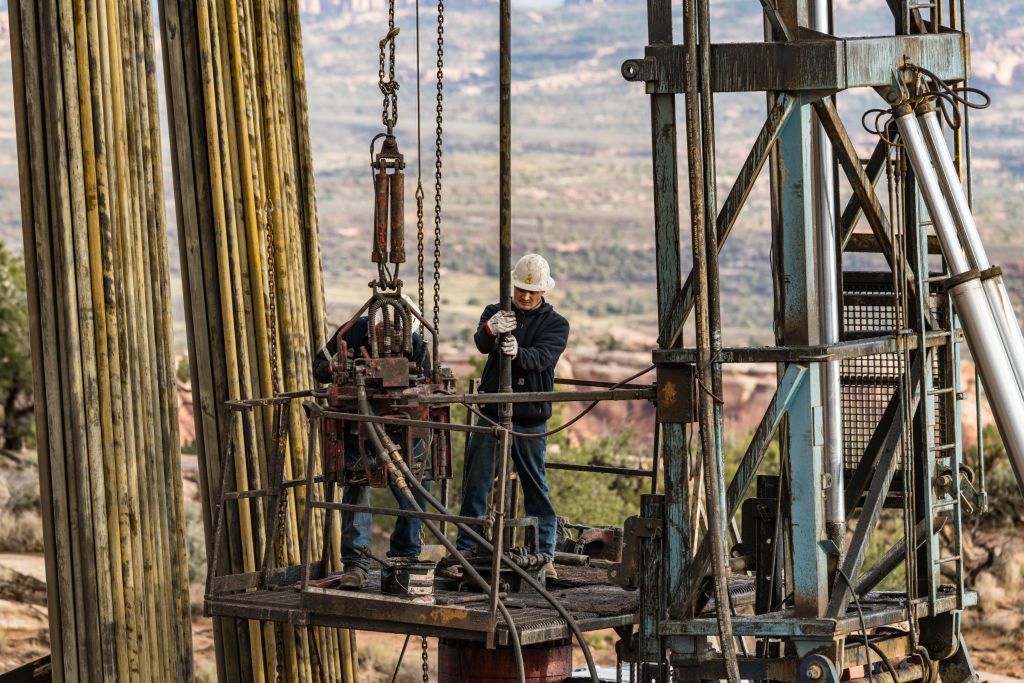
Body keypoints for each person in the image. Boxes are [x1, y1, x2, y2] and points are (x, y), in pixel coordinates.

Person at [455, 254, 570, 578]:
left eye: (532, 291)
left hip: (529, 417)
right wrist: (491, 330)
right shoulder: (497, 313)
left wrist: (518, 352)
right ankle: (467, 548)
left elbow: (543, 358)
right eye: (521, 289)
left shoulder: (556, 325)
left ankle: (544, 554)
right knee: (476, 484)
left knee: (536, 487)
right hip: (493, 411)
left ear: (543, 292)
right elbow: (480, 343)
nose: (525, 296)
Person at [313, 295, 432, 590]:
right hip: (358, 426)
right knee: (356, 486)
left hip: (401, 428)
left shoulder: (417, 346)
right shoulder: (352, 331)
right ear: (372, 329)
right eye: (381, 334)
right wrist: (333, 368)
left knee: (416, 486)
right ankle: (356, 565)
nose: (387, 340)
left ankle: (405, 557)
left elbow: (430, 385)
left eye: (395, 335)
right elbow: (319, 366)